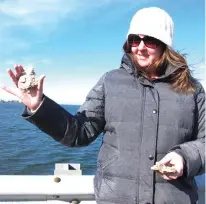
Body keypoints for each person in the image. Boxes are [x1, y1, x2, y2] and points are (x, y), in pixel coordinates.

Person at [1, 7, 205, 204]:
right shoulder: (110, 81)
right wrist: (40, 106)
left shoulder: (192, 90)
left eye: (149, 40)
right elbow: (79, 132)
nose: (140, 47)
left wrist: (184, 158)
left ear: (164, 44)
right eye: (135, 39)